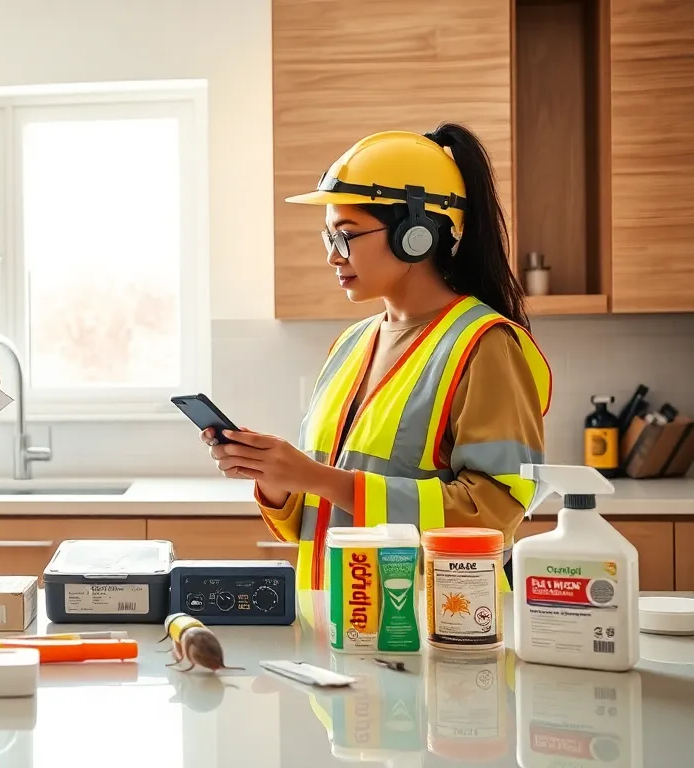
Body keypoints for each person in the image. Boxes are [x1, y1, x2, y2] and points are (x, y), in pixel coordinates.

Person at [204, 123, 552, 592]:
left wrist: (320, 478)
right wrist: (277, 479)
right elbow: (315, 521)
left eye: (346, 235)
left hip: (435, 628)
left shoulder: (484, 344)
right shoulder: (351, 344)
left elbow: (494, 513)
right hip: (339, 621)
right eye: (328, 238)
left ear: (416, 234)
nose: (333, 256)